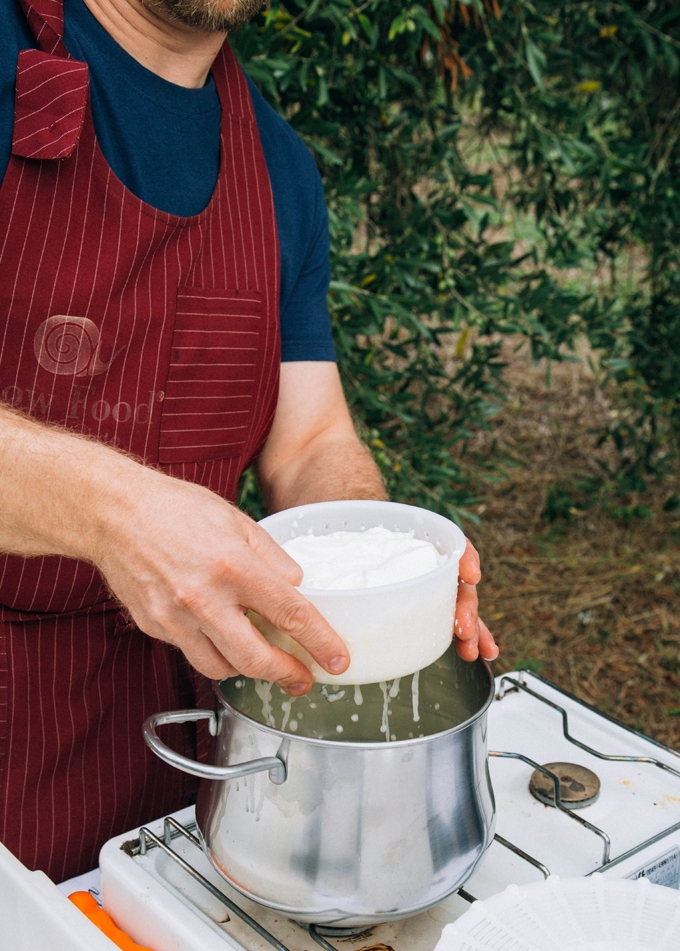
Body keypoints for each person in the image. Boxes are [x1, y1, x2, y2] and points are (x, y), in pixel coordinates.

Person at [0, 0, 498, 883]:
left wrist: (383, 575)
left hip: (187, 734)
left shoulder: (279, 168)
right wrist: (117, 515)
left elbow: (309, 441)